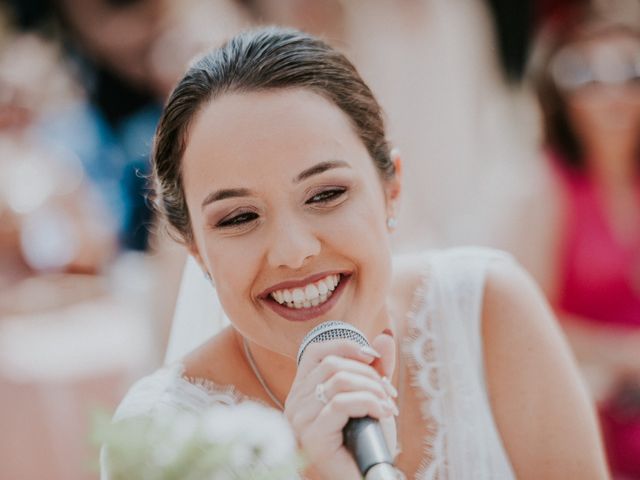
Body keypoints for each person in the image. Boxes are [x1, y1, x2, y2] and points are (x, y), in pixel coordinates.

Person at [102, 27, 609, 479]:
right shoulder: (161, 438)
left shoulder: (486, 308)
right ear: (196, 251)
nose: (294, 252)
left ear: (392, 189)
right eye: (238, 218)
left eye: (326, 195)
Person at [528, 6, 640, 477]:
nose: (612, 92)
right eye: (587, 76)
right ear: (561, 95)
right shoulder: (542, 190)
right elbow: (528, 315)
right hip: (594, 410)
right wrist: (622, 353)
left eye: (630, 71)